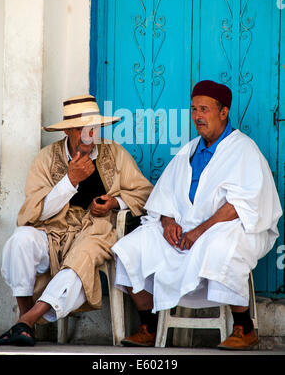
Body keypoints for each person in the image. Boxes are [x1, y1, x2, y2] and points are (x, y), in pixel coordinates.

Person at [112, 80, 283, 350]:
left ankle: (244, 328)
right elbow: (163, 197)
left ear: (223, 112)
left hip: (227, 227)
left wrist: (198, 232)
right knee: (131, 247)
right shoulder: (188, 150)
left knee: (221, 247)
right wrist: (168, 223)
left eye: (204, 109)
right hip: (186, 230)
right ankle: (149, 323)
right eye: (194, 110)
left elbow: (239, 206)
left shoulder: (244, 150)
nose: (197, 116)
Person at [0, 94, 153, 346]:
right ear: (68, 130)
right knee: (21, 239)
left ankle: (25, 323)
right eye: (81, 129)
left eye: (93, 129)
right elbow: (33, 214)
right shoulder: (46, 158)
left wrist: (115, 202)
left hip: (97, 231)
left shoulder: (114, 153)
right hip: (54, 231)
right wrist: (70, 181)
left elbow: (144, 192)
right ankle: (25, 320)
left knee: (80, 259)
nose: (88, 135)